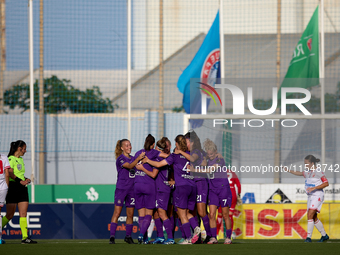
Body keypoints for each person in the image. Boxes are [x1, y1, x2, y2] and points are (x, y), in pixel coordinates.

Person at [143, 135, 201, 245]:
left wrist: (147, 161)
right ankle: (196, 227)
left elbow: (159, 164)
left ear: (178, 144)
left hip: (182, 187)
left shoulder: (174, 156)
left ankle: (188, 238)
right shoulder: (190, 154)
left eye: (176, 143)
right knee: (187, 213)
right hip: (192, 186)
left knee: (181, 214)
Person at [136, 137, 174, 245]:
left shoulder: (159, 159)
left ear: (157, 147)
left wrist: (145, 164)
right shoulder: (160, 157)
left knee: (162, 213)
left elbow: (154, 173)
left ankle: (170, 238)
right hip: (157, 189)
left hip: (162, 189)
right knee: (156, 214)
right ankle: (160, 237)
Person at [176, 130, 211, 244]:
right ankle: (196, 237)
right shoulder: (187, 153)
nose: (185, 145)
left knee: (201, 212)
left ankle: (210, 235)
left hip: (200, 182)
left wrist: (180, 151)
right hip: (192, 184)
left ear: (191, 142)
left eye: (186, 142)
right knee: (191, 212)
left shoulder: (195, 151)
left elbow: (193, 159)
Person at [109, 139, 145, 244]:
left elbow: (139, 167)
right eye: (126, 145)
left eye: (130, 145)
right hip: (121, 189)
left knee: (130, 214)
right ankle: (112, 237)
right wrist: (138, 158)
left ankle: (128, 236)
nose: (129, 147)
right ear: (121, 148)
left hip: (132, 190)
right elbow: (129, 166)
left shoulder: (134, 158)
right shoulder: (120, 159)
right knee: (117, 213)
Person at [287, 155, 329, 243]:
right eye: (304, 163)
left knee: (309, 214)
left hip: (317, 195)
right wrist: (288, 170)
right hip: (310, 196)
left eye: (306, 163)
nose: (305, 165)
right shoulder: (308, 172)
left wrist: (314, 188)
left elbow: (326, 183)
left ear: (312, 163)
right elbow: (299, 173)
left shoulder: (319, 172)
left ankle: (308, 237)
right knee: (313, 217)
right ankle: (324, 235)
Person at [2, 140, 37, 244]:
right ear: (19, 148)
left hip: (22, 188)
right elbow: (10, 173)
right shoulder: (10, 159)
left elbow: (19, 174)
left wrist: (26, 179)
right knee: (9, 215)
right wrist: (19, 181)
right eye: (24, 149)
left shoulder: (21, 160)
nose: (25, 151)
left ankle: (25, 237)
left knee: (23, 213)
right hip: (12, 188)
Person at [202, 139, 233, 244]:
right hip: (212, 190)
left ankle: (228, 237)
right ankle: (213, 237)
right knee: (212, 214)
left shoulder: (220, 159)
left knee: (225, 214)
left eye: (212, 154)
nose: (210, 156)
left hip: (223, 189)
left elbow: (211, 170)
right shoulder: (206, 159)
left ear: (216, 152)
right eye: (208, 154)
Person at [0, 154, 11, 244]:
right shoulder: (4, 157)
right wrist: (7, 187)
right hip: (3, 188)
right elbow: (7, 174)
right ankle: (0, 238)